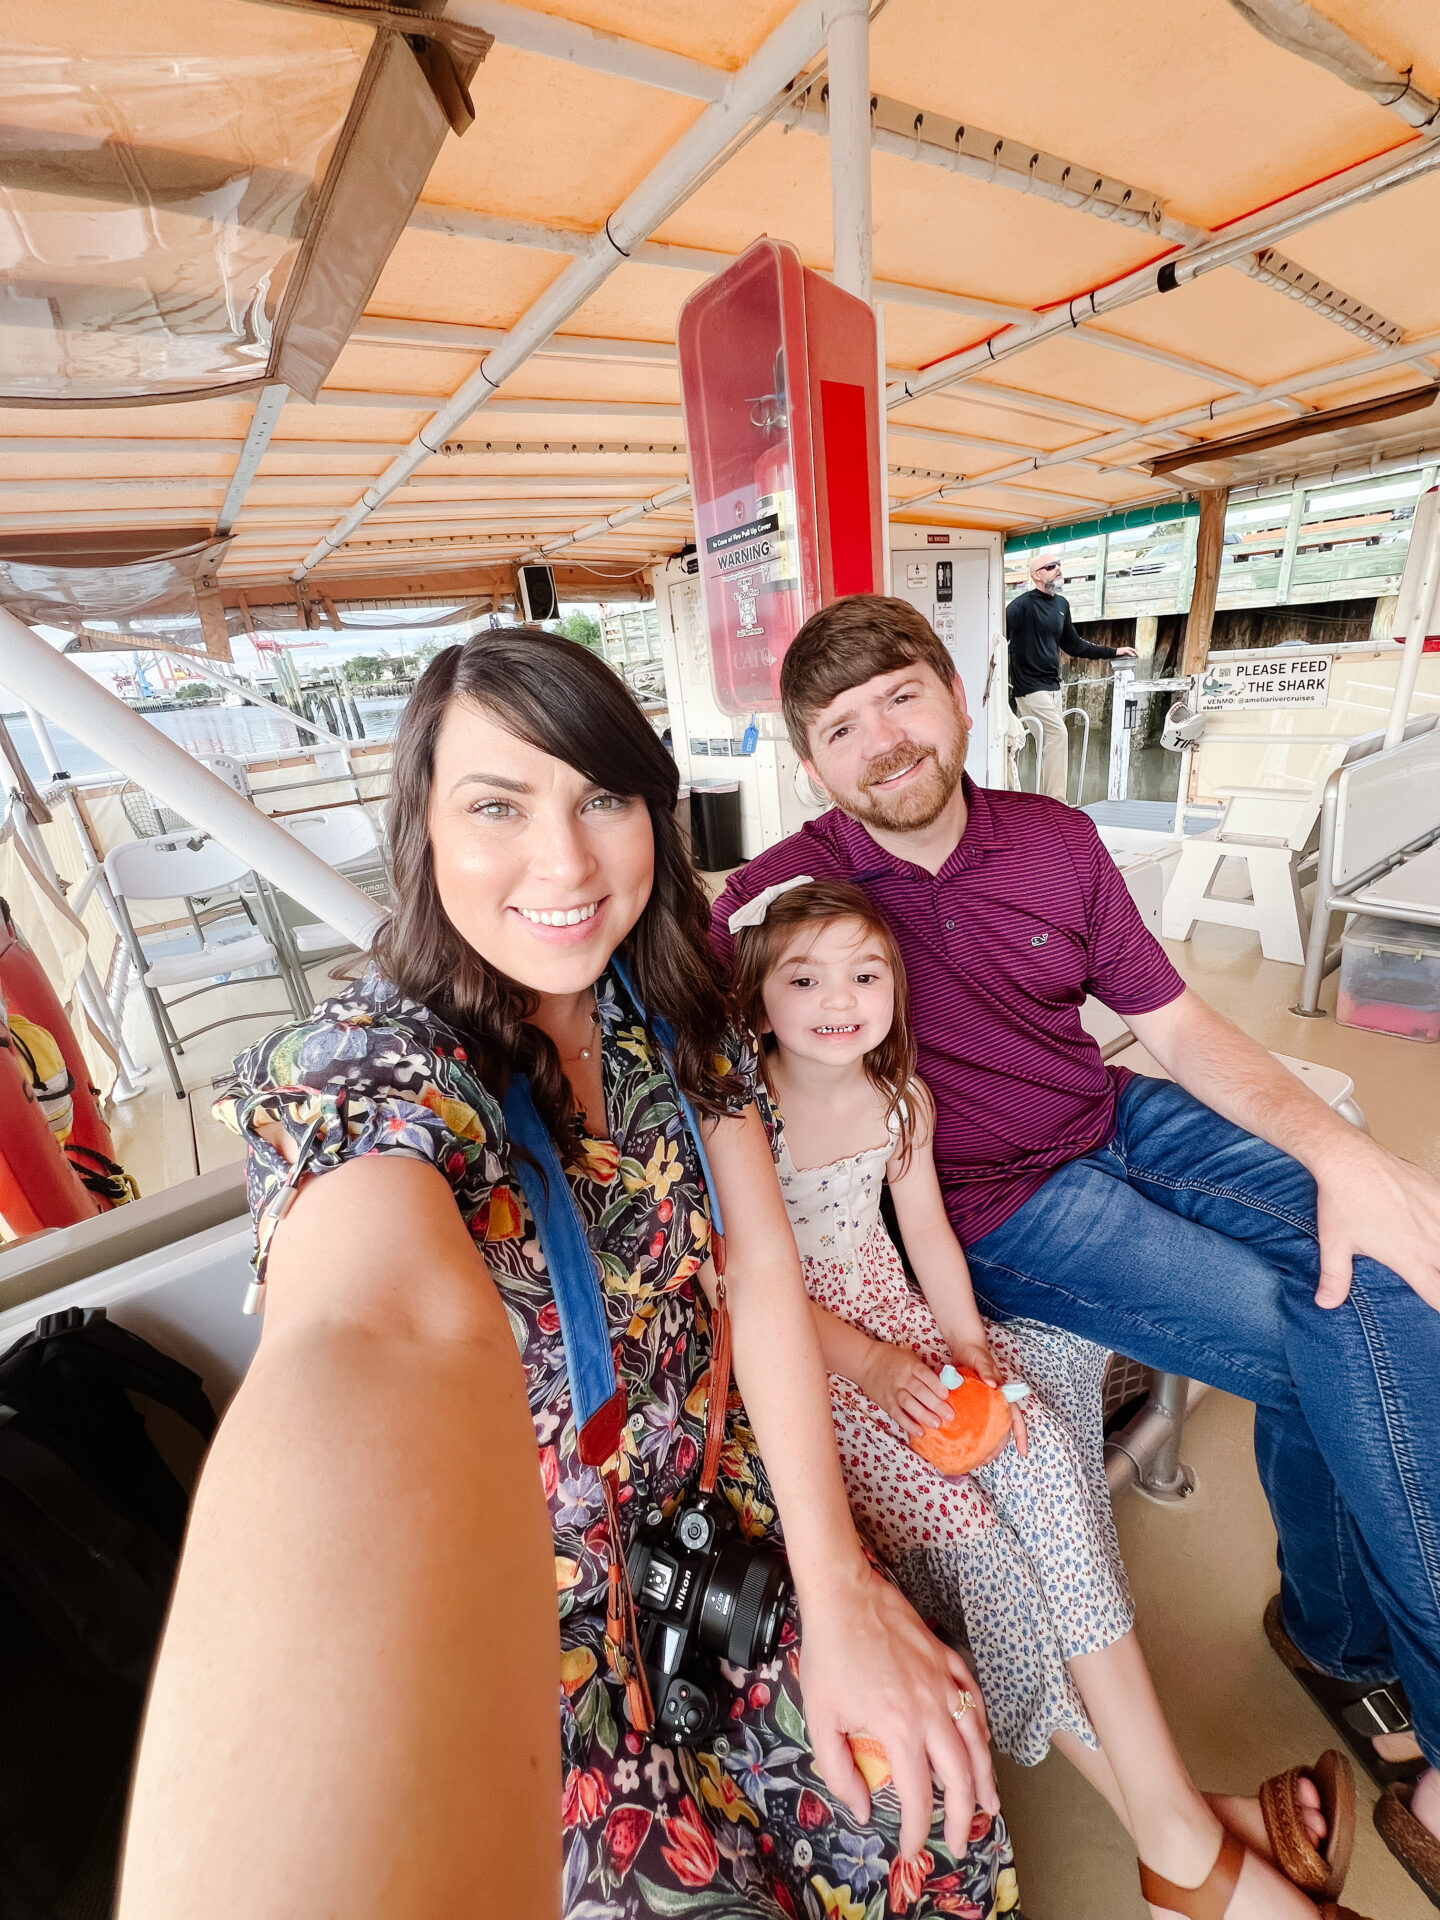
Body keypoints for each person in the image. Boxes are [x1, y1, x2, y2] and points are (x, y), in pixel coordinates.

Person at [118, 628, 1013, 1920]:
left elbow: (759, 1270)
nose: (567, 863)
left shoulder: (674, 1000)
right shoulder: (379, 1067)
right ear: (424, 830)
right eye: (498, 805)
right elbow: (379, 1336)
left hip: (718, 1528)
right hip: (527, 1619)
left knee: (932, 1813)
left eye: (602, 798)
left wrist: (843, 1589)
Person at [711, 594, 1440, 1903]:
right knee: (1317, 1329)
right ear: (812, 762)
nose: (881, 739)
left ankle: (1331, 1630)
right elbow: (667, 1005)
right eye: (841, 725)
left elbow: (1172, 1023)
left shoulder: (1053, 836)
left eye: (901, 697)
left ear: (958, 693)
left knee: (1381, 1259)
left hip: (1118, 1116)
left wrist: (1347, 1154)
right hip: (1004, 1202)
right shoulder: (786, 894)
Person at [728, 874, 1369, 1920]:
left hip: (904, 1323)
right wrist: (884, 1371)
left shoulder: (901, 1100)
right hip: (813, 1365)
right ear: (757, 1000)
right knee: (980, 1546)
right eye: (804, 978)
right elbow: (745, 1287)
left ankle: (1184, 1841)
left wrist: (972, 1354)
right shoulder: (740, 1113)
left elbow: (927, 1234)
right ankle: (1181, 1845)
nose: (839, 999)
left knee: (1044, 1461)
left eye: (866, 973)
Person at [1005, 551, 1137, 803]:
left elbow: (1074, 644)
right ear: (1036, 575)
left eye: (1059, 565)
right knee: (1057, 735)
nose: (1058, 569)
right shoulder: (1021, 606)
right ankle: (1057, 803)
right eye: (1051, 566)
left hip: (1054, 687)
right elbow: (998, 638)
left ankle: (1046, 806)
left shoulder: (1061, 605)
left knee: (1049, 744)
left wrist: (1113, 652)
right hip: (1029, 689)